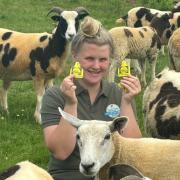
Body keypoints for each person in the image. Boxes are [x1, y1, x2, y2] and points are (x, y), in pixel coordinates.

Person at [41, 16, 142, 180]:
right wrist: (70, 103)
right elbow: (60, 151)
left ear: (110, 61)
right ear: (75, 56)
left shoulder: (117, 93)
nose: (96, 66)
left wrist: (127, 101)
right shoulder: (55, 95)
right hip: (68, 176)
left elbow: (134, 150)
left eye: (103, 59)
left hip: (111, 175)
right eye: (89, 58)